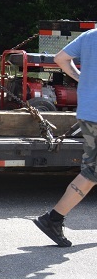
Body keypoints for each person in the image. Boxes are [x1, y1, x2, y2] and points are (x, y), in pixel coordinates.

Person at [34, 27, 96, 247]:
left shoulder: (90, 36)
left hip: (89, 112)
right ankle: (53, 218)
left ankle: (53, 219)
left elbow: (60, 58)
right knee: (91, 173)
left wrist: (81, 78)